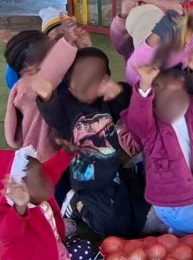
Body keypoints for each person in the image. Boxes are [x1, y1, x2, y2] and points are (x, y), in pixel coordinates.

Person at [0, 146, 160, 260]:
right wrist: (19, 207)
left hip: (50, 257)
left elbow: (50, 170)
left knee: (85, 248)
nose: (47, 180)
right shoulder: (9, 215)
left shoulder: (37, 189)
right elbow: (9, 233)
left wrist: (67, 153)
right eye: (41, 179)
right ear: (19, 190)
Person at [34, 48, 147, 238]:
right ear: (69, 81)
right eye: (78, 79)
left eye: (93, 80)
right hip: (88, 183)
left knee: (140, 205)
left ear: (104, 80)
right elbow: (53, 113)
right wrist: (46, 97)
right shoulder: (66, 104)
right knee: (112, 228)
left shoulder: (105, 100)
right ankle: (76, 204)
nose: (84, 86)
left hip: (114, 172)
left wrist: (118, 91)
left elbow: (126, 101)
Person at [122, 50, 193, 241]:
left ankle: (174, 231)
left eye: (179, 94)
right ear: (154, 97)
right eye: (167, 95)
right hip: (171, 202)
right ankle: (172, 226)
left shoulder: (189, 112)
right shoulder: (150, 127)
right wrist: (144, 85)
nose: (175, 100)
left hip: (191, 189)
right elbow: (138, 118)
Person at [4, 22, 89, 163]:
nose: (56, 52)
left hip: (53, 150)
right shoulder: (28, 87)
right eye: (51, 53)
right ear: (30, 68)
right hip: (44, 157)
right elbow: (53, 71)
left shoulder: (38, 79)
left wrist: (81, 46)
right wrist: (67, 41)